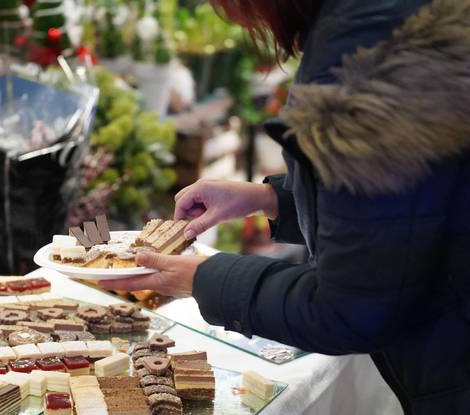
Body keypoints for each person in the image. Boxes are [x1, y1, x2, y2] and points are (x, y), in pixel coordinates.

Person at [100, 0, 470, 413]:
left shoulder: (358, 63)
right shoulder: (386, 20)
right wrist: (274, 198)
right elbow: (407, 208)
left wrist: (203, 277)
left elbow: (349, 311)